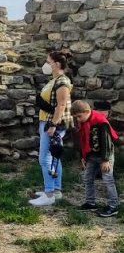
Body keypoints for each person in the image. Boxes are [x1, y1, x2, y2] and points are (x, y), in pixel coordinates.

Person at [30, 50, 74, 207]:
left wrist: (53, 125)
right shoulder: (54, 80)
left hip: (52, 124)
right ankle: (56, 190)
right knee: (54, 156)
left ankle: (48, 194)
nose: (46, 65)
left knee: (44, 158)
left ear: (56, 64)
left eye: (48, 62)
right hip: (47, 121)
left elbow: (61, 105)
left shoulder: (62, 82)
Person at [72, 100, 119, 217]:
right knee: (87, 178)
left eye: (79, 116)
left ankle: (113, 206)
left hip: (104, 156)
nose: (78, 119)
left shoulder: (101, 122)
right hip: (91, 156)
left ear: (87, 111)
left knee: (108, 179)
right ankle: (90, 202)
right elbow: (84, 141)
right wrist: (84, 157)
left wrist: (105, 159)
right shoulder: (83, 122)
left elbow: (106, 142)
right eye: (75, 117)